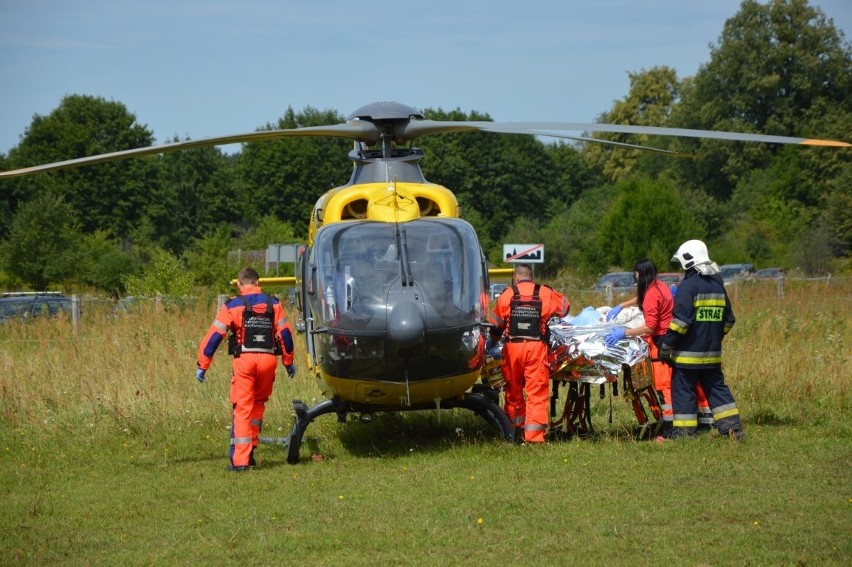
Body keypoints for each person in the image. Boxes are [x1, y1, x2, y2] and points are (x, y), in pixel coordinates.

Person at [196, 267, 296, 471]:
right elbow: (285, 335)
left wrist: (203, 365)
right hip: (268, 360)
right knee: (257, 406)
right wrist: (288, 362)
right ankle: (251, 452)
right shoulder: (273, 303)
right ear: (258, 282)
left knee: (242, 408)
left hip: (245, 360)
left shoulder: (233, 305)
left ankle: (241, 461)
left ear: (240, 284)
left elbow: (214, 337)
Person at [604, 258, 713, 436]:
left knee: (665, 389)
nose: (635, 277)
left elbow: (650, 327)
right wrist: (621, 306)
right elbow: (643, 298)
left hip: (660, 344)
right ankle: (697, 422)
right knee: (679, 385)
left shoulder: (652, 294)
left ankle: (670, 430)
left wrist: (624, 333)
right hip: (670, 339)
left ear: (642, 274)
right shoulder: (660, 285)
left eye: (636, 274)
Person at [659, 240, 745, 440]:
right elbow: (729, 319)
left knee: (683, 391)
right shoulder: (717, 285)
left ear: (687, 260)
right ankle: (733, 429)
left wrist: (667, 344)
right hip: (712, 354)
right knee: (717, 390)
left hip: (687, 357)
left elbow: (681, 322)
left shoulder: (688, 286)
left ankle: (685, 433)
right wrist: (714, 337)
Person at [490, 263, 570, 443]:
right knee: (536, 393)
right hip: (536, 348)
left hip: (513, 349)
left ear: (516, 278)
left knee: (513, 390)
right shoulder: (545, 292)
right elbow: (565, 309)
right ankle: (534, 438)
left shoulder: (506, 294)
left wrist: (491, 343)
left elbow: (496, 326)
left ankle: (514, 432)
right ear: (531, 277)